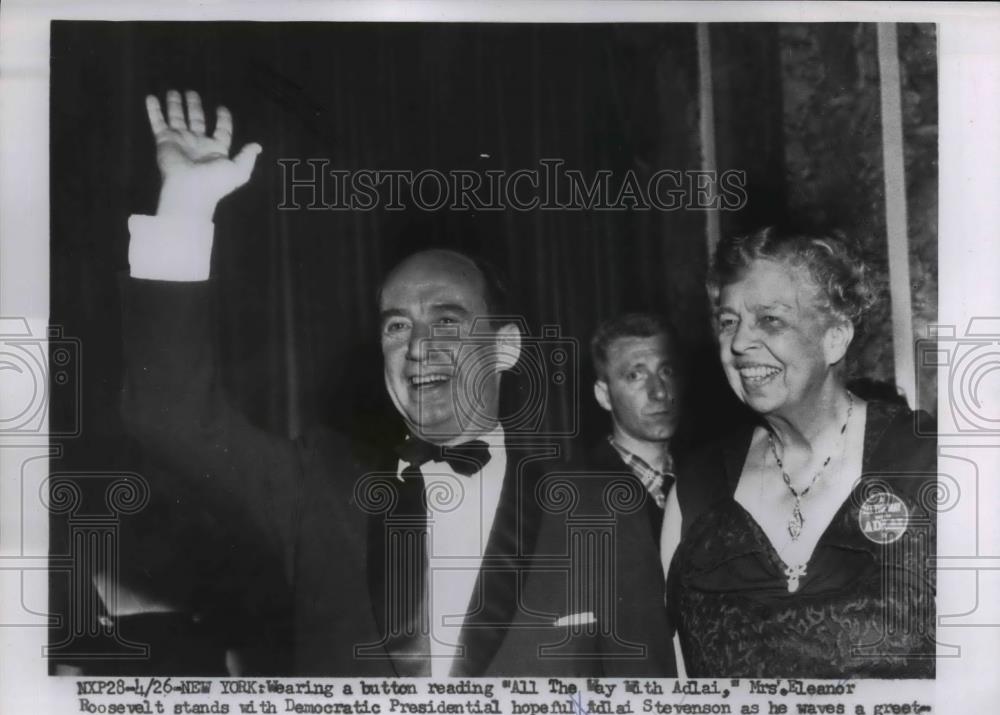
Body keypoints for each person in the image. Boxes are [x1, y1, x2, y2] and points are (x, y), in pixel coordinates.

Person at [120, 89, 660, 676]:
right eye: (397, 325)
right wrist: (184, 208)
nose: (418, 346)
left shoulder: (600, 510)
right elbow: (168, 413)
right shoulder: (318, 489)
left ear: (505, 347)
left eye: (447, 322)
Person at [661, 226, 937, 678]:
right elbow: (679, 688)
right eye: (729, 322)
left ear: (835, 337)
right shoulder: (696, 492)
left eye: (770, 320)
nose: (738, 343)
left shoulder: (928, 462)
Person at [589, 313, 681, 542]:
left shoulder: (709, 480)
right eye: (635, 376)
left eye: (666, 371)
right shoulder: (579, 494)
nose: (659, 391)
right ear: (604, 395)